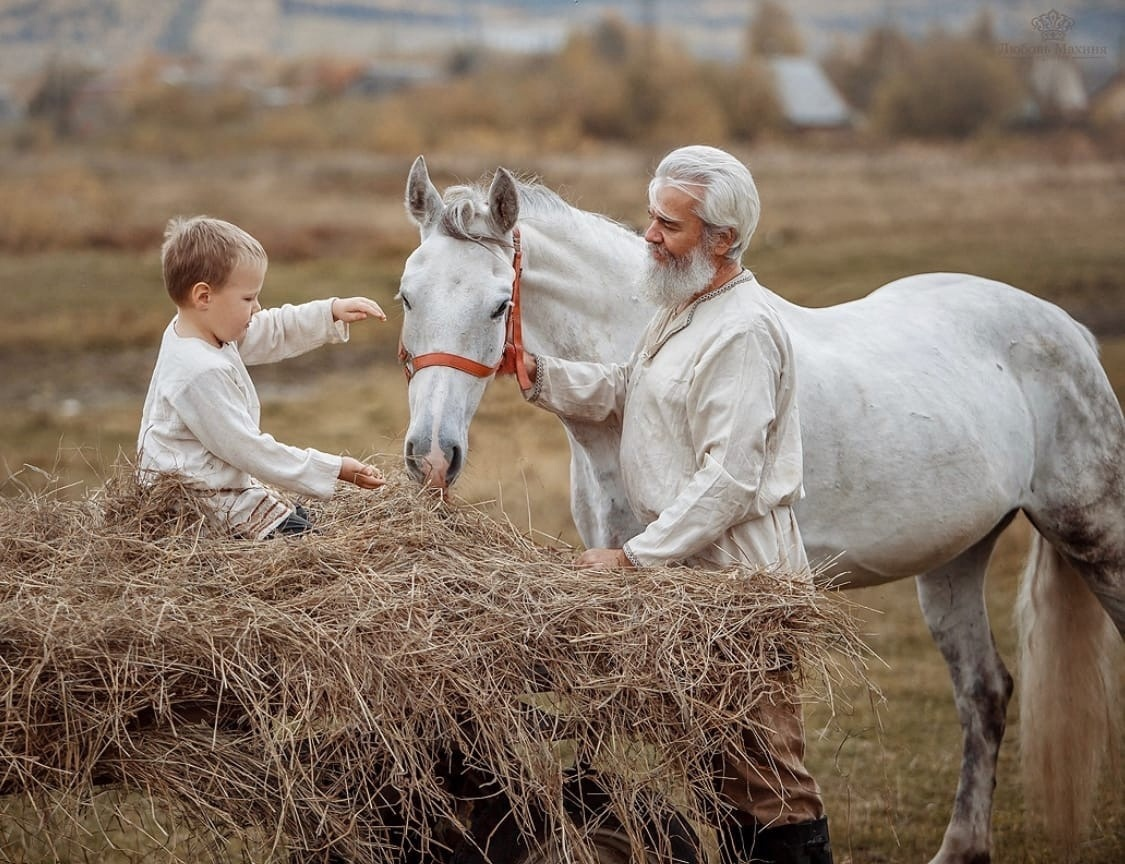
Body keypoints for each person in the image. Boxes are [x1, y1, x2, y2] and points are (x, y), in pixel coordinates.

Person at [519, 146, 832, 863]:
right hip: (691, 574)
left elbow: (729, 479)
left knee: (768, 777)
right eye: (650, 218)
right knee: (716, 770)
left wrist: (631, 558)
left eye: (670, 225)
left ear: (721, 239)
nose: (649, 236)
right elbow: (636, 388)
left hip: (740, 582)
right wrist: (546, 378)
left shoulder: (741, 332)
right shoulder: (683, 306)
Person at [138, 215, 386, 540]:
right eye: (248, 298)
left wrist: (330, 311)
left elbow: (271, 329)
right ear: (203, 296)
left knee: (300, 520)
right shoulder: (199, 372)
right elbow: (250, 450)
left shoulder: (198, 329)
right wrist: (334, 468)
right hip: (196, 509)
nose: (257, 307)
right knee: (312, 545)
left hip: (216, 485)